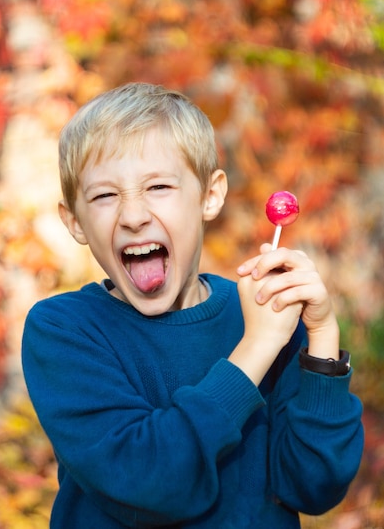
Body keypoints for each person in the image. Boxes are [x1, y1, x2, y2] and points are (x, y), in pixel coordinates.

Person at [22, 82, 363, 529]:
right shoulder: (64, 331)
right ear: (75, 222)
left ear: (210, 195)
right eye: (105, 195)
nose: (133, 215)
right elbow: (147, 480)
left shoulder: (266, 315)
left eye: (158, 186)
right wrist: (255, 350)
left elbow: (314, 486)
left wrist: (321, 340)